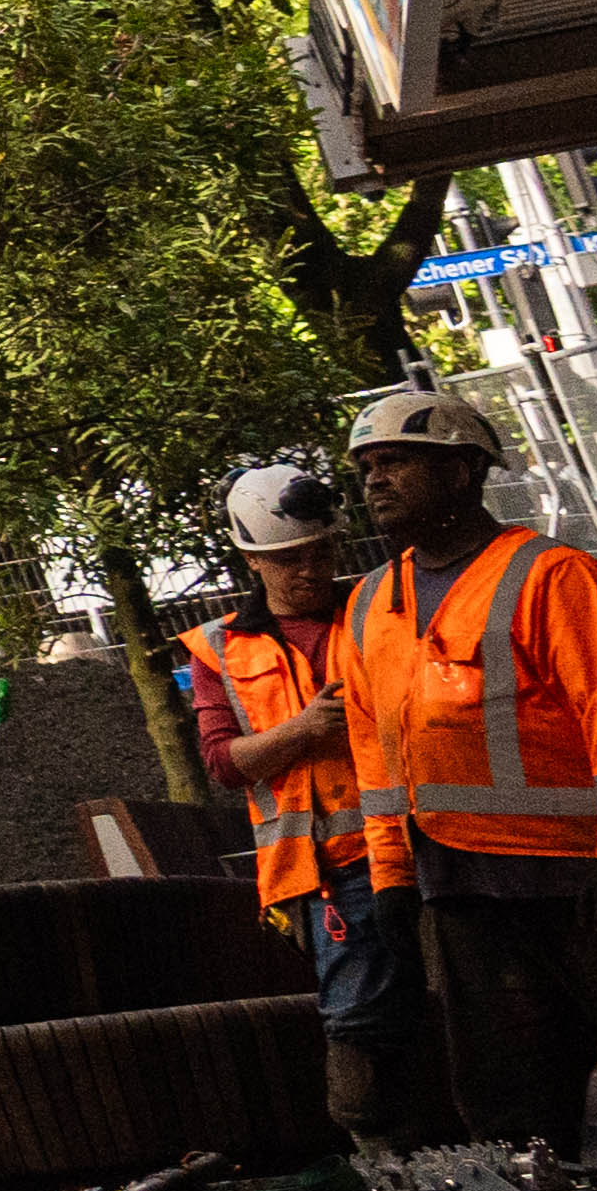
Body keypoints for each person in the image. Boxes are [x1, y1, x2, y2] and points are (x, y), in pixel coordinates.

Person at [336, 377, 597, 1150]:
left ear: (462, 472)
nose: (376, 479)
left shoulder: (553, 578)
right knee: (513, 1116)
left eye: (398, 461)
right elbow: (376, 757)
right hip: (464, 894)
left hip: (587, 884)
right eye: (368, 466)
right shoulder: (370, 606)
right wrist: (389, 875)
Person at [182, 458, 436, 1139]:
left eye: (321, 552)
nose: (310, 569)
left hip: (425, 838)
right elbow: (222, 764)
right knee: (357, 1013)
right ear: (253, 561)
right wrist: (303, 731)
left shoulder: (380, 609)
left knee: (445, 999)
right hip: (326, 867)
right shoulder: (220, 649)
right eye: (290, 558)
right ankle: (375, 1144)